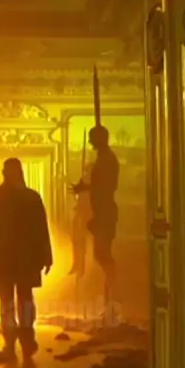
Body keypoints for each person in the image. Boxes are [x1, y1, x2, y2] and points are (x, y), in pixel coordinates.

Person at [0, 158, 53, 359]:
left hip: (2, 259)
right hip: (25, 258)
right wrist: (46, 255)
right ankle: (26, 339)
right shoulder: (31, 198)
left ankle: (11, 341)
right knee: (24, 299)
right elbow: (41, 229)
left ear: (3, 173)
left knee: (7, 302)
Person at [71, 125, 120, 317]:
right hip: (101, 211)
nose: (90, 142)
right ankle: (111, 300)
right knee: (101, 255)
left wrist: (86, 188)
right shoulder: (104, 158)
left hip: (105, 212)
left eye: (92, 138)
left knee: (103, 255)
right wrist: (86, 188)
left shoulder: (107, 159)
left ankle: (113, 299)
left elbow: (107, 186)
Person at [69, 163, 93, 277]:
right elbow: (79, 196)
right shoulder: (83, 180)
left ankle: (80, 264)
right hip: (82, 212)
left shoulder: (95, 182)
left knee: (80, 239)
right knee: (76, 238)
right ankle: (78, 263)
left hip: (89, 213)